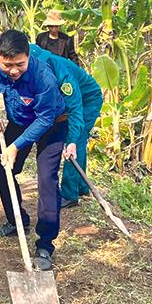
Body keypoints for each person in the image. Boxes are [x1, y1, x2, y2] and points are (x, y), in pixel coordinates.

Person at [0, 30, 67, 271]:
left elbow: (45, 118)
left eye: (20, 64)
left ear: (28, 56)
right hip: (19, 121)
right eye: (8, 64)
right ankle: (16, 220)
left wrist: (16, 146)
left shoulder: (43, 77)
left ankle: (45, 245)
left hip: (52, 123)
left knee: (47, 179)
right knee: (3, 172)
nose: (14, 70)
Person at [30, 44, 104, 208]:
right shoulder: (36, 69)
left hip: (88, 101)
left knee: (76, 141)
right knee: (79, 142)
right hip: (73, 103)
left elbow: (75, 110)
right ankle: (82, 187)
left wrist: (70, 140)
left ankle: (70, 194)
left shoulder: (62, 74)